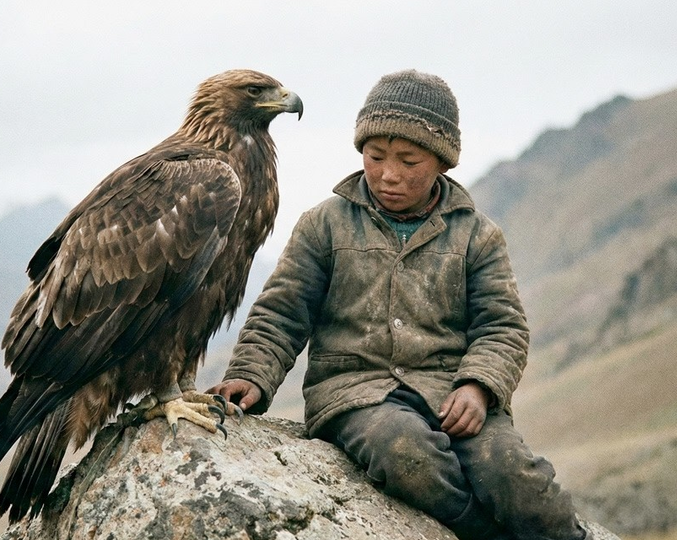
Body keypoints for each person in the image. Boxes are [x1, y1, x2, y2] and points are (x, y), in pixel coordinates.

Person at [209, 69, 591, 540]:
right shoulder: (323, 226)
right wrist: (251, 373)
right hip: (356, 396)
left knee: (515, 476)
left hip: (452, 393)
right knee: (406, 453)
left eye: (409, 160)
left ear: (442, 163)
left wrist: (478, 388)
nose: (388, 174)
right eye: (375, 156)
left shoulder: (478, 236)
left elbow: (503, 328)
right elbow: (282, 312)